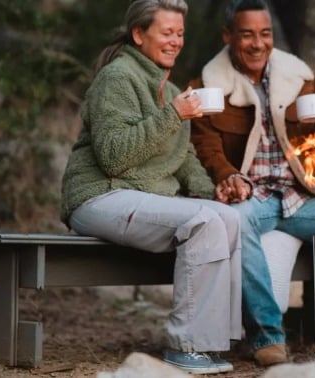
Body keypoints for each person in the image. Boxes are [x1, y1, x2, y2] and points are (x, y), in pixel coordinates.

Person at [59, 0, 241, 374]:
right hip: (99, 195)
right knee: (206, 223)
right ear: (139, 35)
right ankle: (187, 345)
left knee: (228, 218)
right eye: (167, 33)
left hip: (139, 197)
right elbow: (112, 156)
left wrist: (212, 191)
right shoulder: (118, 78)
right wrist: (173, 114)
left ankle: (219, 339)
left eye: (180, 34)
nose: (176, 41)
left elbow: (183, 157)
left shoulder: (170, 87)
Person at [189, 0, 315, 367]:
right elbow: (206, 147)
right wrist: (228, 176)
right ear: (228, 36)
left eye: (264, 34)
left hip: (304, 197)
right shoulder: (207, 85)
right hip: (255, 198)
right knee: (236, 219)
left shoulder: (298, 77)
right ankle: (268, 336)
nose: (257, 43)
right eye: (247, 34)